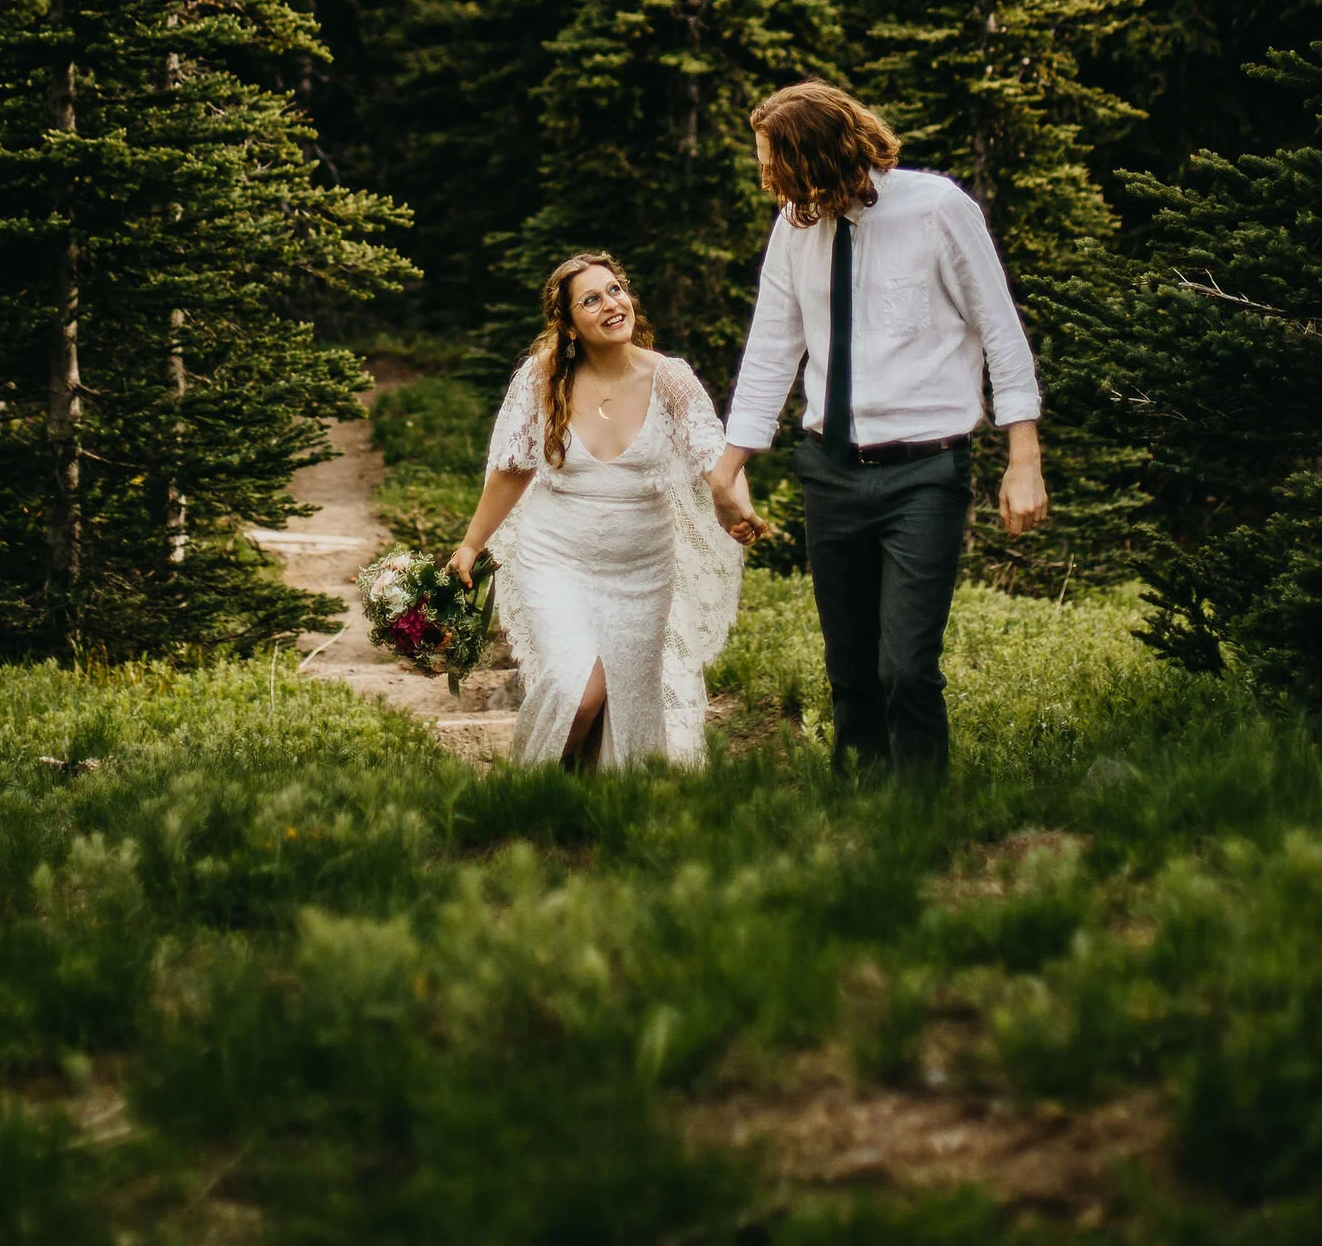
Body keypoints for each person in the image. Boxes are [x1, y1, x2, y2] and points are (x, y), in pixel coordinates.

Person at [709, 80, 1048, 776]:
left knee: (906, 667)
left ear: (823, 156)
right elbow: (773, 349)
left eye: (777, 165)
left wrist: (1024, 457)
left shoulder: (938, 209)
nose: (770, 182)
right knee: (851, 669)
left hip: (925, 471)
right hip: (828, 471)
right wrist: (728, 467)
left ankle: (920, 823)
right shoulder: (795, 226)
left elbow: (1001, 331)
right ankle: (859, 817)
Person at [448, 253, 755, 768]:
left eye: (615, 290)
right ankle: (533, 792)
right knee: (578, 690)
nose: (612, 304)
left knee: (630, 708)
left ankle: (597, 812)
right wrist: (471, 544)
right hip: (556, 560)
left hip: (642, 573)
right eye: (591, 299)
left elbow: (713, 454)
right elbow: (512, 468)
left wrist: (737, 507)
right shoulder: (542, 378)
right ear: (568, 325)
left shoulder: (671, 379)